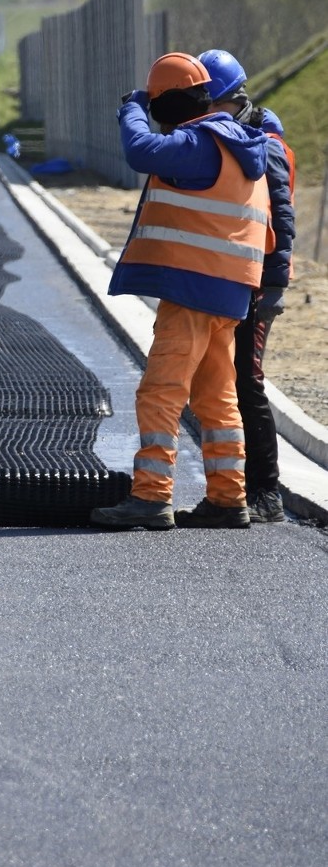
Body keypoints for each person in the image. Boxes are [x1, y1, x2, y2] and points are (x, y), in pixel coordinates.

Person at [90, 52, 273, 531]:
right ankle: (229, 498)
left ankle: (151, 497)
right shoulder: (241, 143)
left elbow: (139, 151)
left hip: (194, 287)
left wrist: (130, 107)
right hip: (230, 291)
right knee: (216, 396)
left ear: (167, 104)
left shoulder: (200, 142)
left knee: (162, 390)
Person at [199, 48, 296, 524]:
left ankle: (267, 492)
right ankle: (236, 484)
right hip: (234, 277)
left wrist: (275, 286)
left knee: (246, 382)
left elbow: (281, 217)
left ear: (235, 100)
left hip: (258, 285)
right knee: (227, 380)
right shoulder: (235, 132)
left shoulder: (266, 144)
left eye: (210, 105)